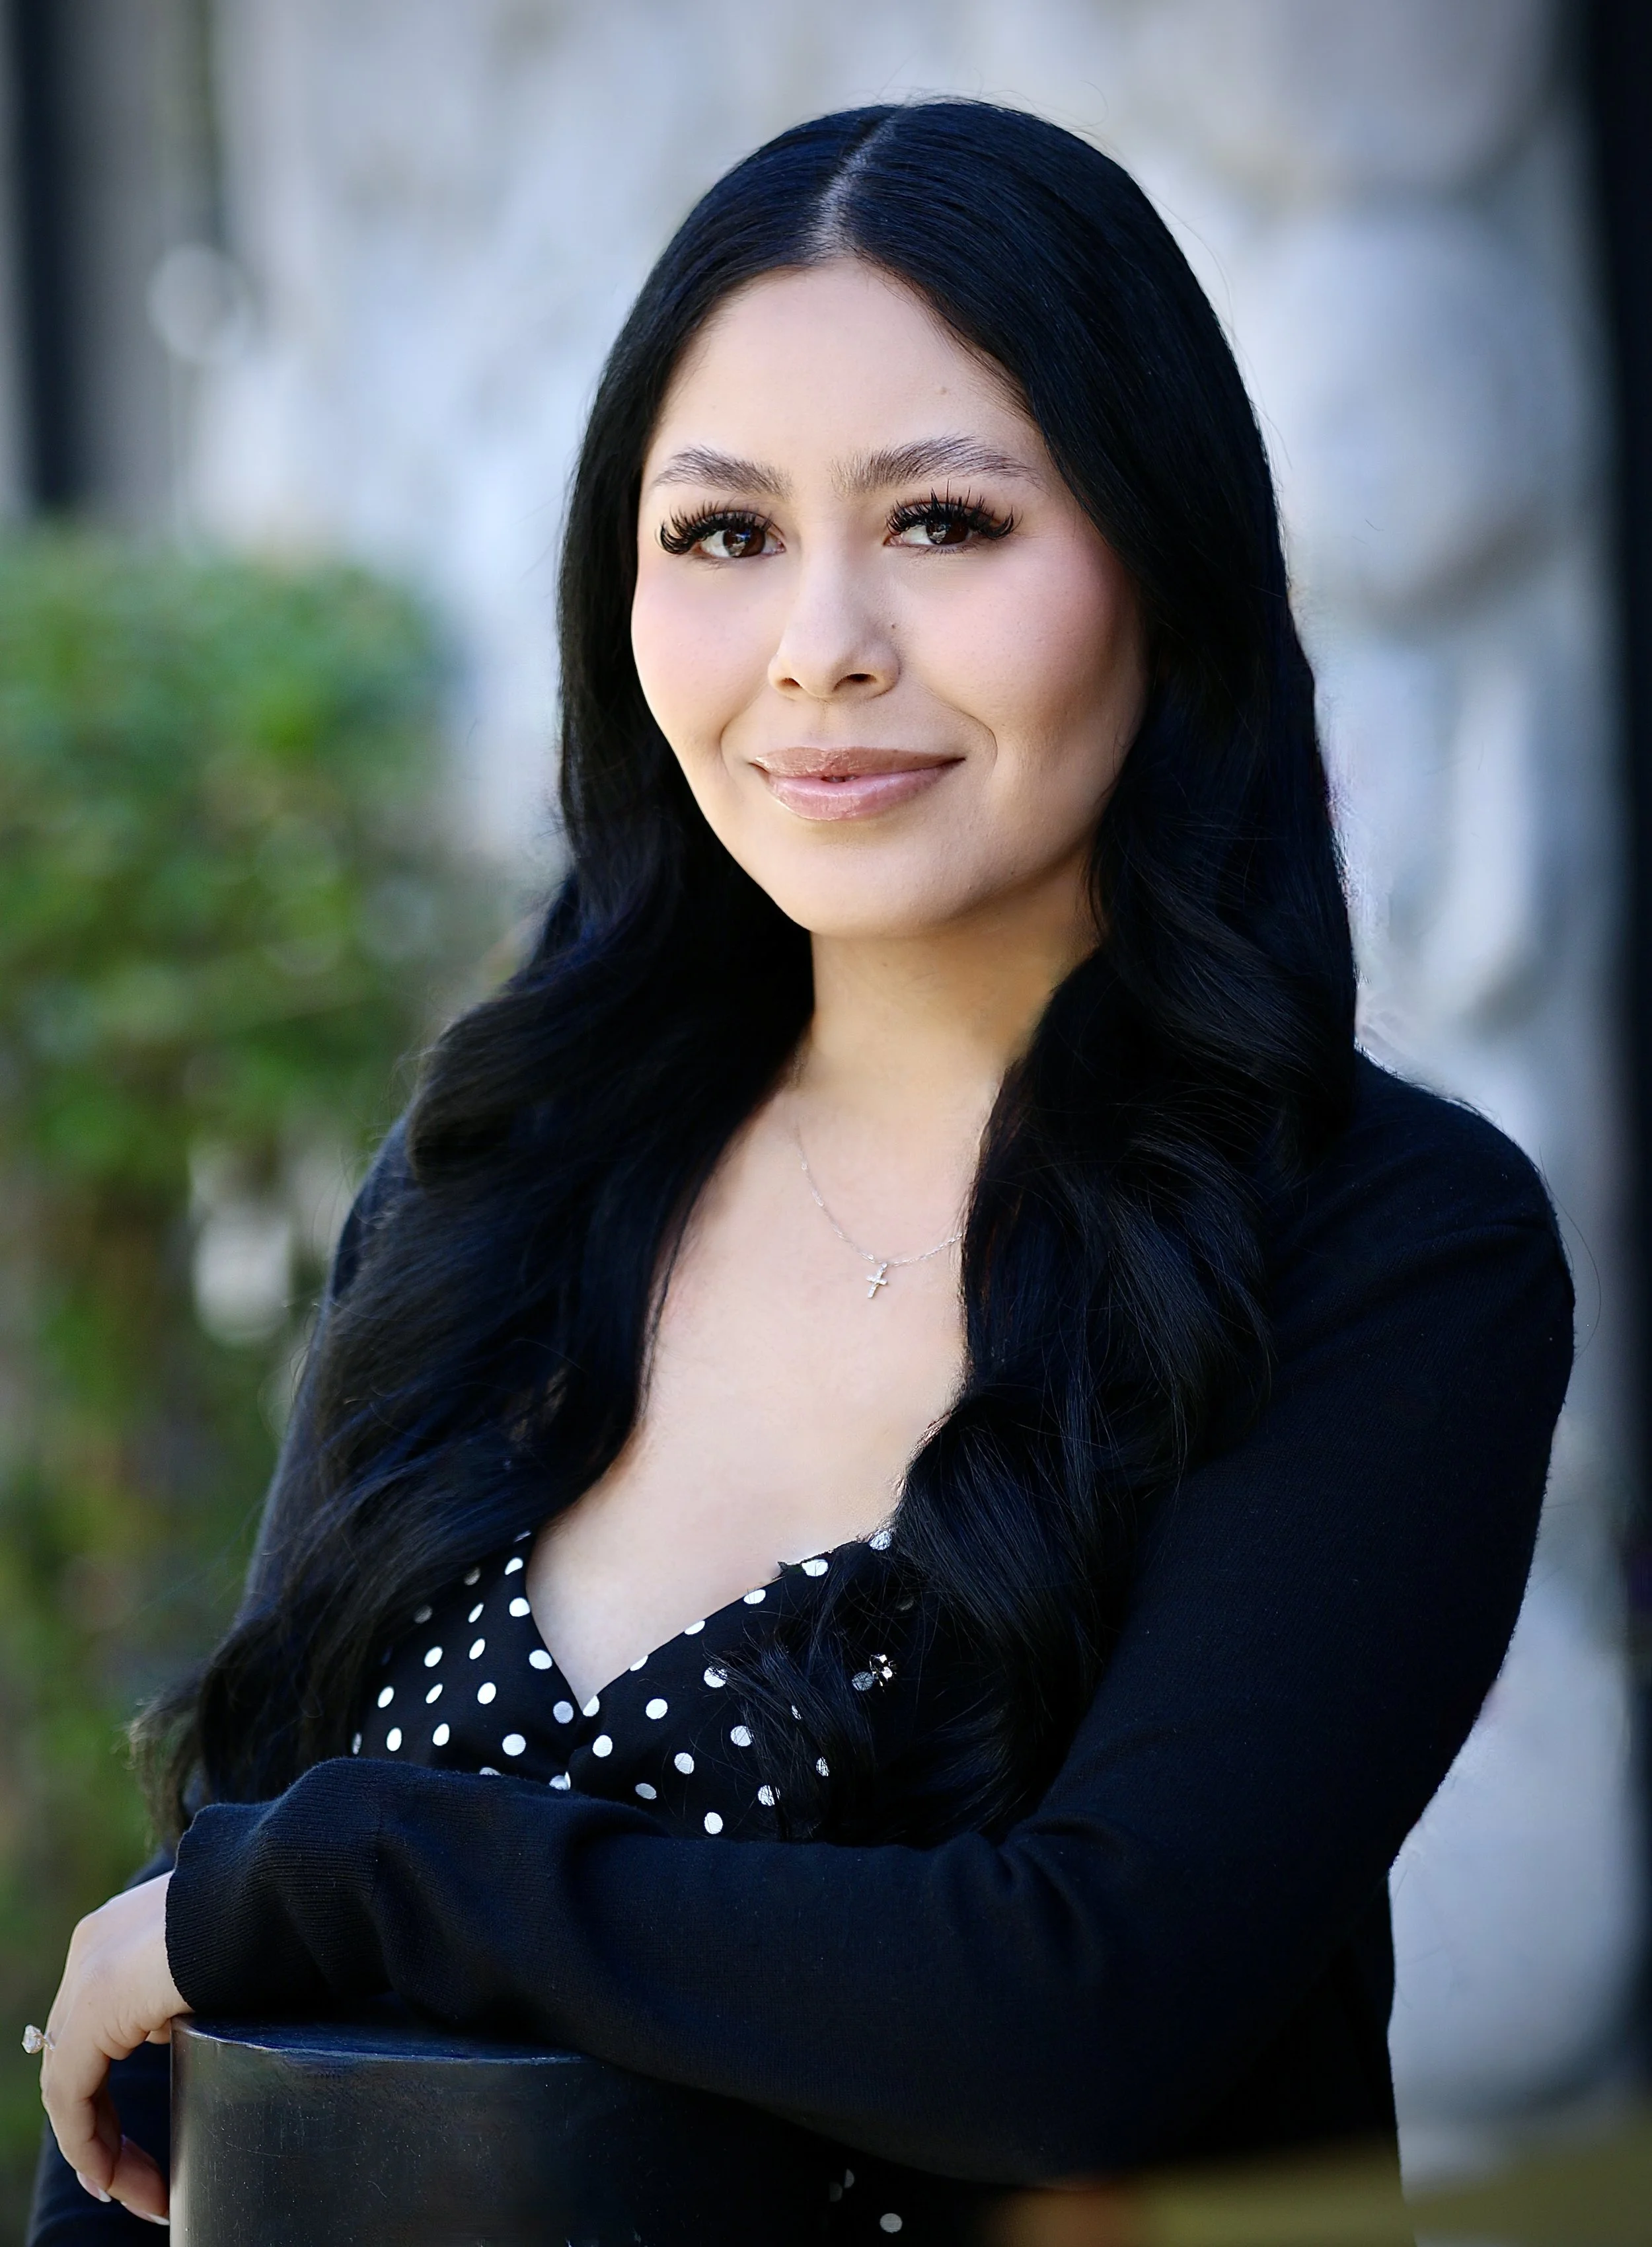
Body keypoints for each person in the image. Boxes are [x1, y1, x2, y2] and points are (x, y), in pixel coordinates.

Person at [27, 99, 1572, 2242]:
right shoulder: (496, 1178)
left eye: (943, 522)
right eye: (722, 534)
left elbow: (1078, 2016)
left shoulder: (1386, 1245)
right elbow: (187, 2064)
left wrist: (360, 1873)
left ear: (1162, 559)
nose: (817, 645)